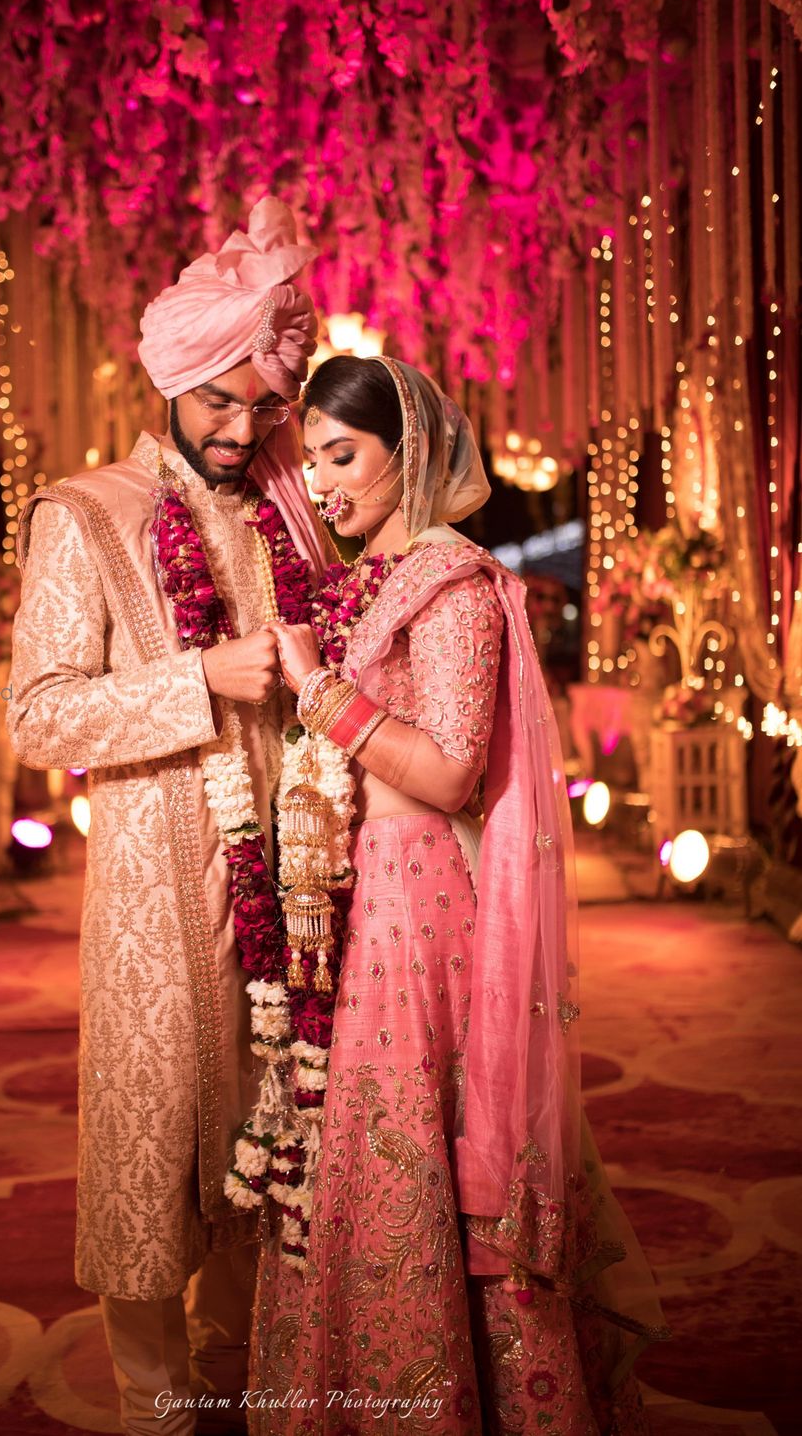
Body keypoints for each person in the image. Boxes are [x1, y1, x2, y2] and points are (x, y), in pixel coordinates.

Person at [254, 354, 668, 1434]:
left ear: (413, 447)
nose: (326, 484)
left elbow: (445, 770)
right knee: (362, 1142)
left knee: (415, 1141)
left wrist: (317, 693)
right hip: (367, 898)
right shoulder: (379, 582)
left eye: (344, 455)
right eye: (315, 462)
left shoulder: (453, 585)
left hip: (420, 903)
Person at [6, 197, 331, 1436]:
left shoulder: (292, 517)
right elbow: (37, 717)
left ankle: (252, 1374)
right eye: (219, 403)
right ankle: (155, 1405)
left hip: (296, 892)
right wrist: (195, 681)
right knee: (151, 1160)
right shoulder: (83, 513)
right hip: (152, 899)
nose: (243, 430)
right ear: (171, 385)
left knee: (276, 1139)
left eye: (267, 404)